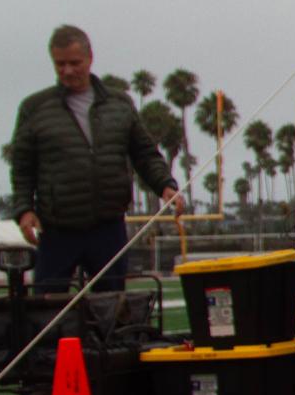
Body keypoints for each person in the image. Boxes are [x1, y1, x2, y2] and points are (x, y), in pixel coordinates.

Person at [10, 24, 183, 292]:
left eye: (74, 63)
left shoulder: (120, 104)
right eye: (60, 64)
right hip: (57, 230)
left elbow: (144, 153)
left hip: (108, 227)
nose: (67, 70)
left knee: (112, 310)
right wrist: (24, 210)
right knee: (47, 314)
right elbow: (22, 167)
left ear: (90, 58)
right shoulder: (34, 108)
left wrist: (165, 185)